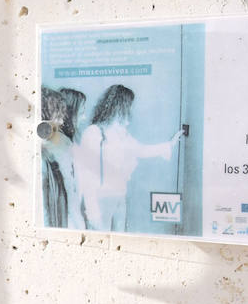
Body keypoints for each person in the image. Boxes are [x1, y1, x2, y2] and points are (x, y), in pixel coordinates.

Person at [72, 84, 184, 231]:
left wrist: (170, 144)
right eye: (128, 105)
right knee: (100, 241)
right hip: (101, 200)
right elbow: (88, 177)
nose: (130, 110)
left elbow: (141, 150)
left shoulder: (121, 134)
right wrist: (92, 212)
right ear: (119, 106)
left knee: (119, 238)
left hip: (120, 197)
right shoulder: (94, 132)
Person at [39, 87, 84, 228]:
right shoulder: (62, 143)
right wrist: (79, 224)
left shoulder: (59, 142)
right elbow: (70, 189)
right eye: (59, 116)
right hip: (64, 217)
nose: (61, 121)